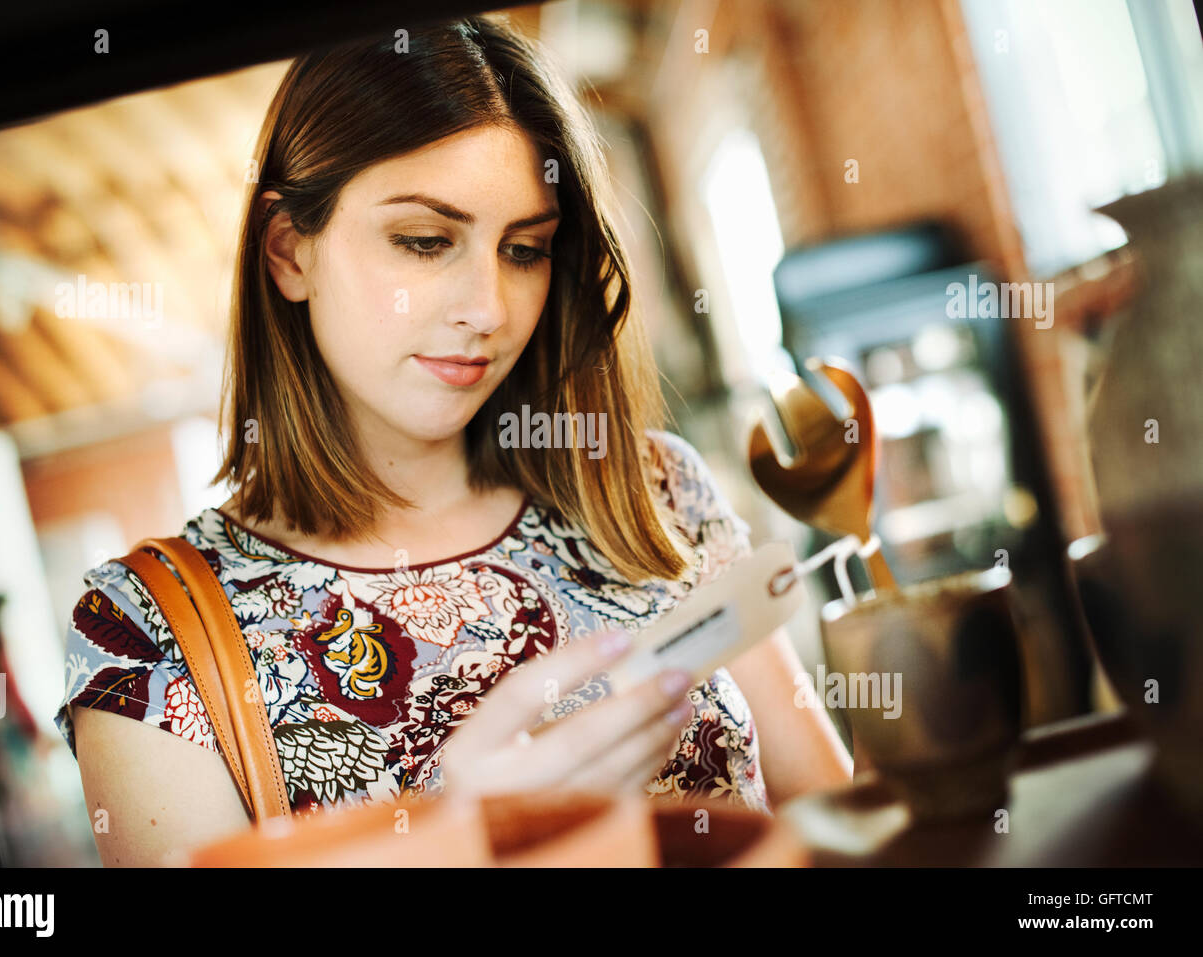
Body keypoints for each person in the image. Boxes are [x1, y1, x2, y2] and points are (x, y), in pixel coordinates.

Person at [55, 14, 852, 867]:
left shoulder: (655, 491)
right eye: (426, 241)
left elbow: (832, 820)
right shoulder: (149, 633)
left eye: (525, 249)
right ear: (289, 251)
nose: (489, 308)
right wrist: (462, 842)